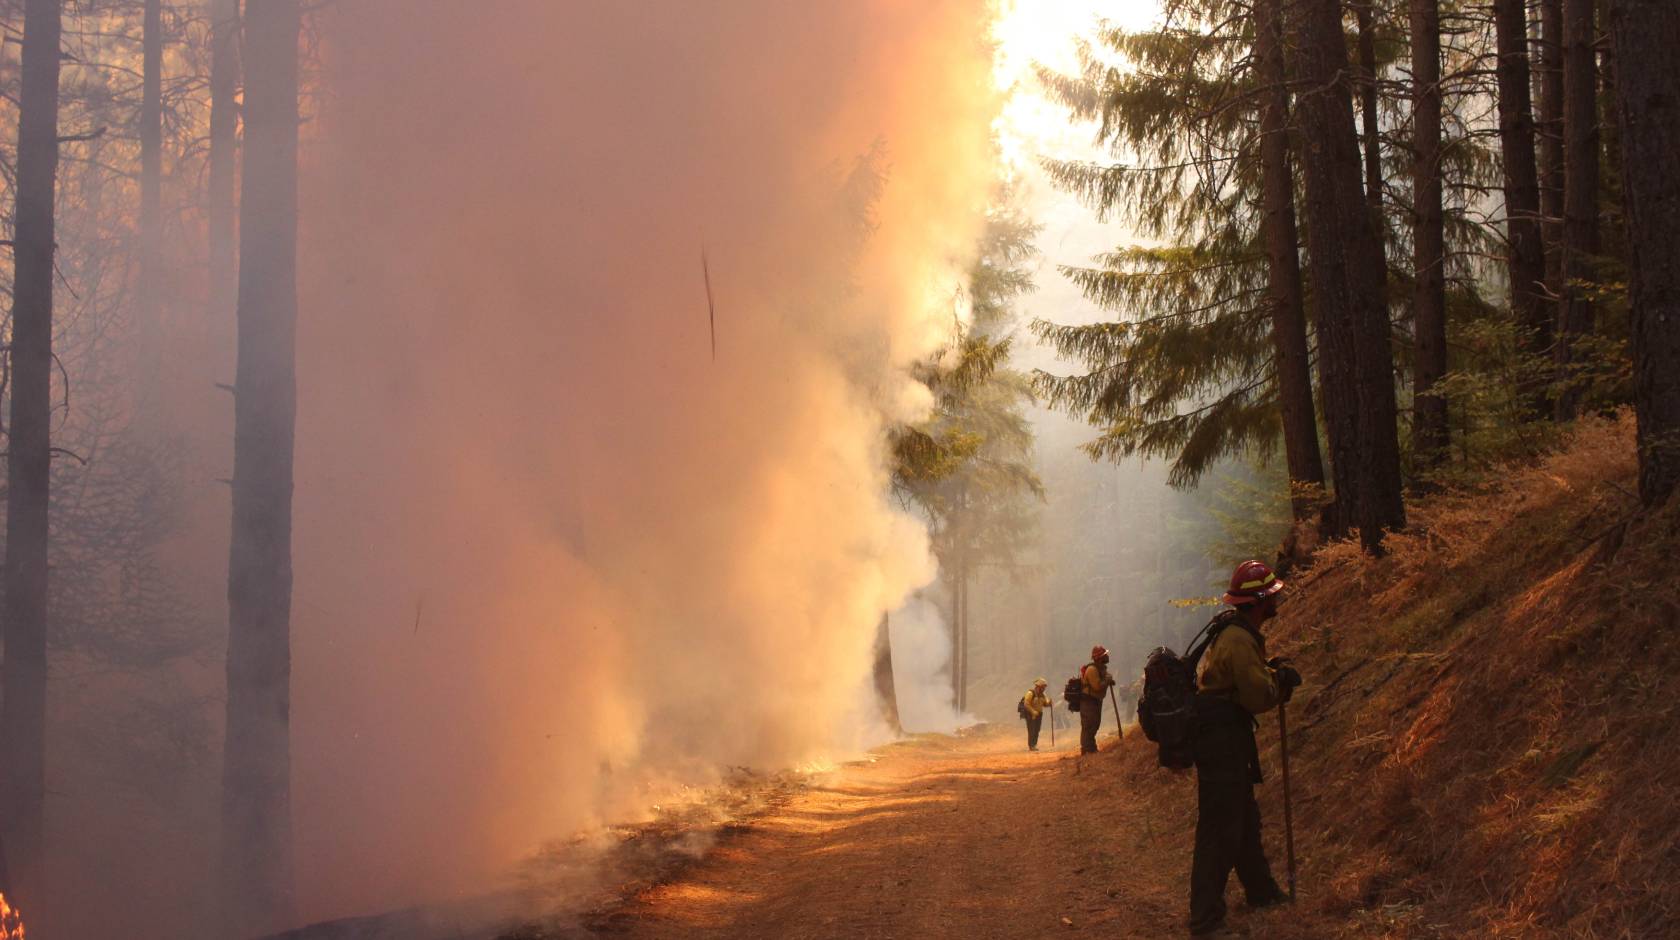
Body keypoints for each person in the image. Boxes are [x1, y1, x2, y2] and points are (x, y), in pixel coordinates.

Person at [1188, 559, 1303, 937]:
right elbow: (1256, 696)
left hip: (1226, 737)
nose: (1275, 601)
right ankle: (1206, 921)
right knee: (1221, 828)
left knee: (1243, 820)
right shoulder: (1238, 638)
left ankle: (1261, 891)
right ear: (1257, 602)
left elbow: (1243, 680)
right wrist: (1279, 684)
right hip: (1222, 740)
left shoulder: (1238, 633)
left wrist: (1271, 669)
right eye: (1270, 596)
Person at [1079, 645, 1115, 754]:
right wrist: (1107, 680)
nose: (1107, 656)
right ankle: (1088, 749)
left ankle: (1090, 747)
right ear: (1099, 657)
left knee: (1095, 724)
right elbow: (1097, 686)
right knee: (1089, 725)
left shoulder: (1100, 668)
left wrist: (1108, 680)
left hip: (1095, 701)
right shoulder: (1092, 669)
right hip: (1088, 701)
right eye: (1105, 655)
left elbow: (1103, 681)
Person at [1021, 678, 1052, 751]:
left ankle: (1034, 744)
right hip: (1030, 714)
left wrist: (1049, 703)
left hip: (1039, 714)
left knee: (1037, 730)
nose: (1044, 688)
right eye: (1043, 687)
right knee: (1032, 729)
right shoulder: (1030, 693)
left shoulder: (1043, 695)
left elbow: (1045, 703)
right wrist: (1033, 711)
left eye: (1045, 687)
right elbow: (1026, 704)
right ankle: (1031, 745)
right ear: (1039, 686)